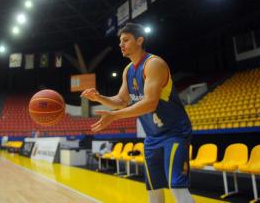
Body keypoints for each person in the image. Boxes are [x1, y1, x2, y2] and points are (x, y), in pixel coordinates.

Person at [81, 23, 193, 203]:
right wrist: (99, 97)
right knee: (153, 189)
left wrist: (115, 116)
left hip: (174, 133)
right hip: (152, 137)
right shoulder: (128, 70)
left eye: (125, 40)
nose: (121, 44)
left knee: (176, 187)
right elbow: (121, 100)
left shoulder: (154, 64)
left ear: (139, 40)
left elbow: (149, 103)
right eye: (120, 41)